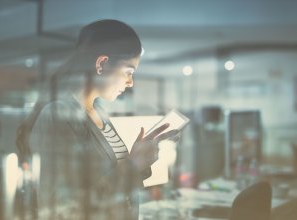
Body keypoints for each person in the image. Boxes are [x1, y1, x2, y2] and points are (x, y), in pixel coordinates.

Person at [16, 19, 179, 220]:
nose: (130, 83)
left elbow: (114, 182)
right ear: (101, 63)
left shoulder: (98, 113)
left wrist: (140, 158)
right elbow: (62, 209)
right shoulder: (57, 115)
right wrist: (132, 164)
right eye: (129, 72)